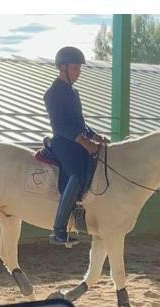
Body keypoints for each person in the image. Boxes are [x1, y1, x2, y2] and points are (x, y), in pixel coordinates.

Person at [44, 46, 108, 247]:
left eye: (79, 68)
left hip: (77, 140)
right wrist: (84, 142)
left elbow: (80, 122)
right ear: (62, 68)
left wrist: (95, 136)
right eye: (75, 67)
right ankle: (59, 229)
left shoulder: (73, 92)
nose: (78, 71)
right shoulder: (53, 93)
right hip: (63, 142)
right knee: (77, 176)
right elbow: (60, 125)